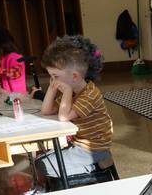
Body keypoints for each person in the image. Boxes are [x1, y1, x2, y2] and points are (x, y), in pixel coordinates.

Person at [35, 35, 112, 183]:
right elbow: (46, 111)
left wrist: (67, 92)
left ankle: (92, 169)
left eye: (55, 76)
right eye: (51, 76)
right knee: (39, 159)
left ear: (75, 76)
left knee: (43, 165)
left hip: (94, 150)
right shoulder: (73, 91)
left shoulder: (90, 94)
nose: (53, 80)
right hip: (79, 145)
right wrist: (52, 88)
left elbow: (63, 117)